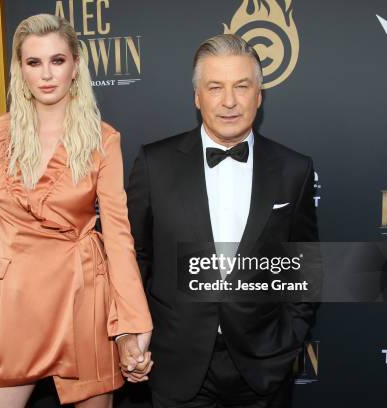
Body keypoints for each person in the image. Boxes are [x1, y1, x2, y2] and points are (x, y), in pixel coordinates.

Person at [0, 14, 153, 408]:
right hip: (16, 302)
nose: (46, 74)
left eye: (57, 60)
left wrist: (133, 322)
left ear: (75, 65)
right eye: (34, 62)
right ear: (20, 69)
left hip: (81, 297)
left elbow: (118, 237)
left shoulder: (103, 139)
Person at [126, 34, 319, 407]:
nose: (229, 101)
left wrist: (286, 340)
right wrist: (132, 334)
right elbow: (135, 259)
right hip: (176, 364)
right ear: (197, 97)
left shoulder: (294, 169)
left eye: (242, 86)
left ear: (259, 96)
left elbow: (305, 268)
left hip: (262, 368)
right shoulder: (155, 164)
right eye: (215, 87)